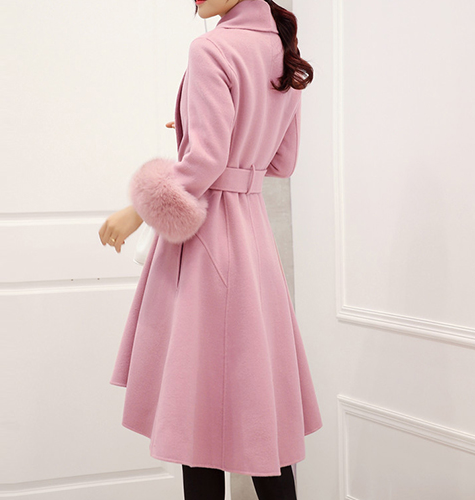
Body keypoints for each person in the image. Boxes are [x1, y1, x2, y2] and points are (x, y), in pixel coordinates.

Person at [98, 0, 323, 498]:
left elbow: (204, 163)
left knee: (195, 411)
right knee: (260, 408)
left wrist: (137, 209)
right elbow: (281, 162)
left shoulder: (211, 49)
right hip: (252, 239)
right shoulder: (281, 49)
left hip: (208, 240)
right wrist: (204, 130)